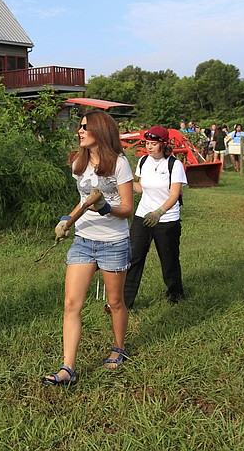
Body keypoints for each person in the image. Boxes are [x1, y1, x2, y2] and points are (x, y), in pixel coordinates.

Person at [43, 110, 134, 385]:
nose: (79, 131)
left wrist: (106, 208)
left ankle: (119, 348)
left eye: (84, 127)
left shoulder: (119, 163)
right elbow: (83, 202)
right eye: (79, 127)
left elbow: (128, 208)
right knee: (71, 304)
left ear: (100, 130)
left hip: (113, 242)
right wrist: (66, 221)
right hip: (83, 240)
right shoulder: (78, 165)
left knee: (115, 302)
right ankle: (67, 368)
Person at [123, 126, 187, 309]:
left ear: (163, 145)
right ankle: (125, 301)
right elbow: (141, 187)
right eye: (147, 143)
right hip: (143, 216)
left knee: (169, 258)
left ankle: (175, 293)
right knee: (133, 257)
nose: (149, 147)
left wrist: (160, 212)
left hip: (166, 219)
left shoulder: (174, 165)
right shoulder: (143, 161)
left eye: (153, 144)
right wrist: (124, 183)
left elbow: (174, 194)